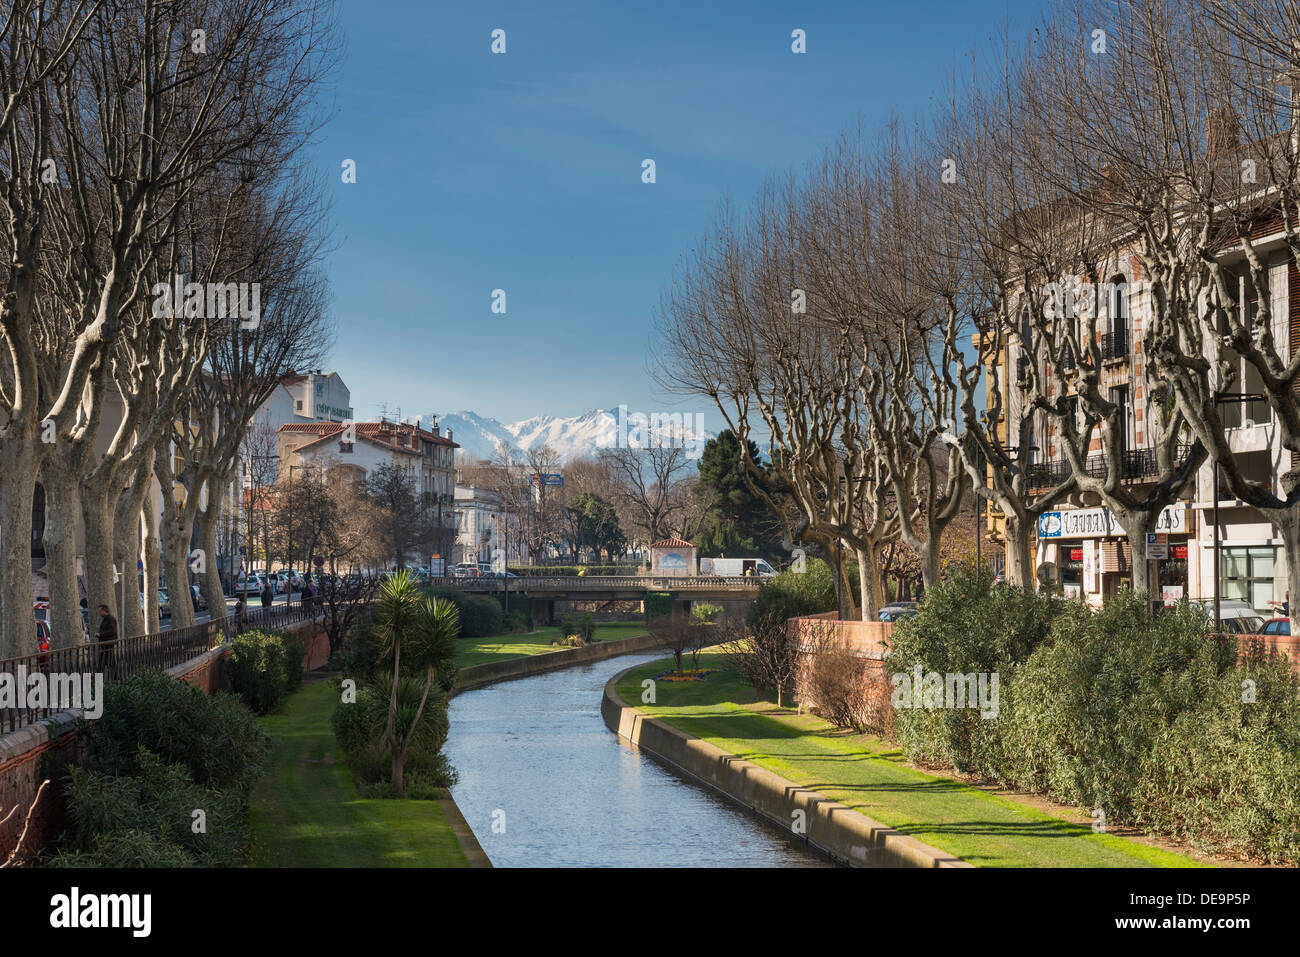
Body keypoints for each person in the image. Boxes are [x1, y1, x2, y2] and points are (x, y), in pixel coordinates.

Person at [95, 604, 117, 676]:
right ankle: (114, 676)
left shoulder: (110, 619)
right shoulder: (106, 619)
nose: (99, 613)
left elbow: (112, 631)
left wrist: (100, 634)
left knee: (107, 661)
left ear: (104, 611)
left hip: (108, 643)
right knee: (106, 661)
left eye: (100, 611)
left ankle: (114, 676)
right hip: (105, 644)